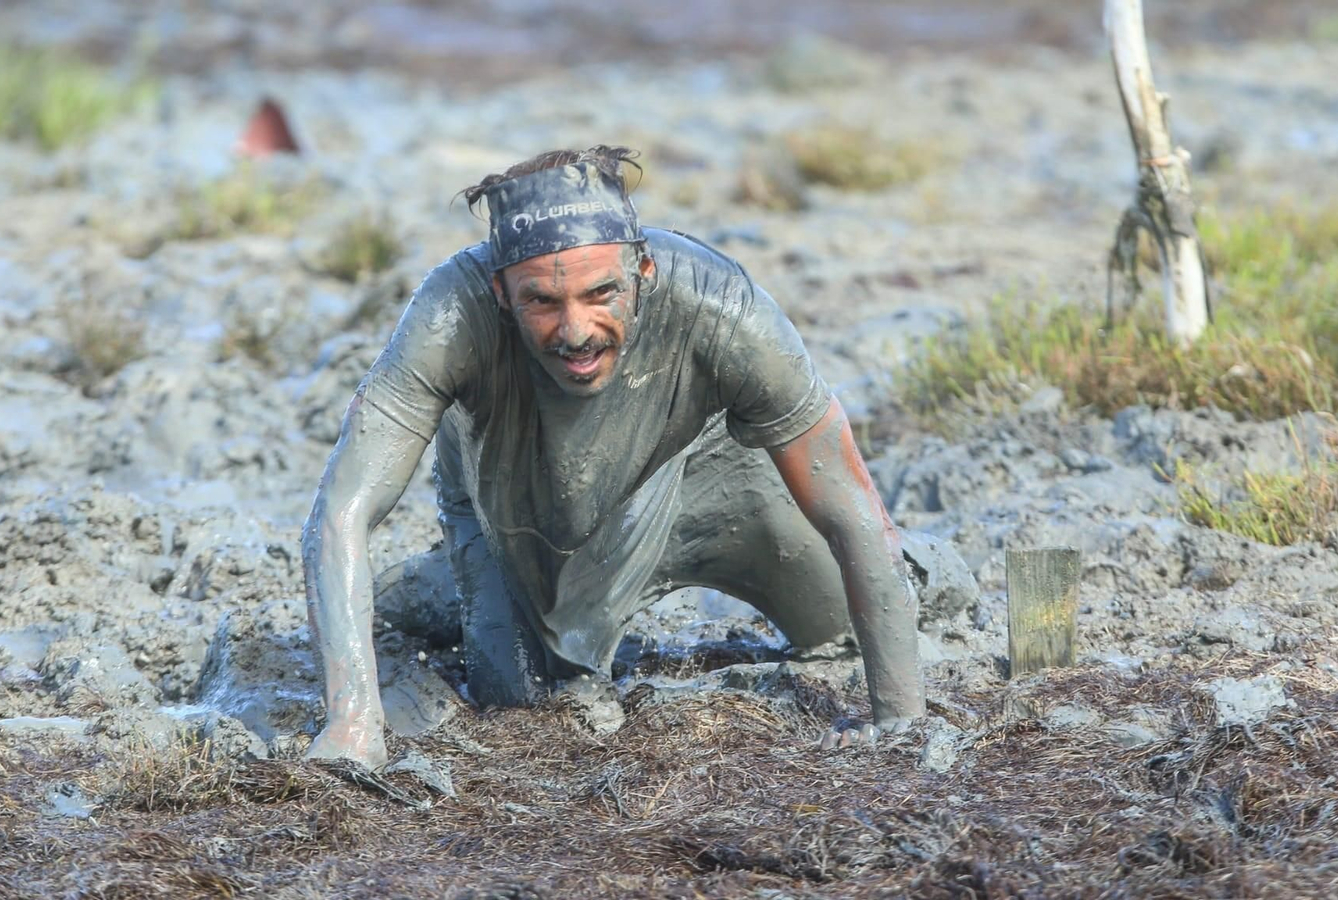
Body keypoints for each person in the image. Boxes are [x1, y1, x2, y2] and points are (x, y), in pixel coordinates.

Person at [301, 146, 971, 769]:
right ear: (502, 293)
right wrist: (352, 723)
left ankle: (932, 564)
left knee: (839, 625)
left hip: (705, 474)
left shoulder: (720, 304)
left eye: (601, 294)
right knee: (520, 702)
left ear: (643, 272)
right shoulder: (451, 311)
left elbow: (850, 503)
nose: (575, 332)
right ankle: (428, 587)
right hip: (522, 509)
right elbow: (339, 512)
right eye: (541, 302)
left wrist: (901, 724)